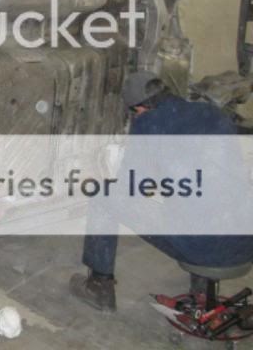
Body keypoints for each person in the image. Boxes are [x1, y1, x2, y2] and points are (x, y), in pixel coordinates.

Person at [69, 71, 253, 312]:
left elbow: (131, 189)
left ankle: (99, 287)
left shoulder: (149, 124)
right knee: (202, 203)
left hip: (204, 248)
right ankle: (200, 288)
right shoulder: (212, 112)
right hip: (245, 239)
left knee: (103, 197)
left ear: (139, 109)